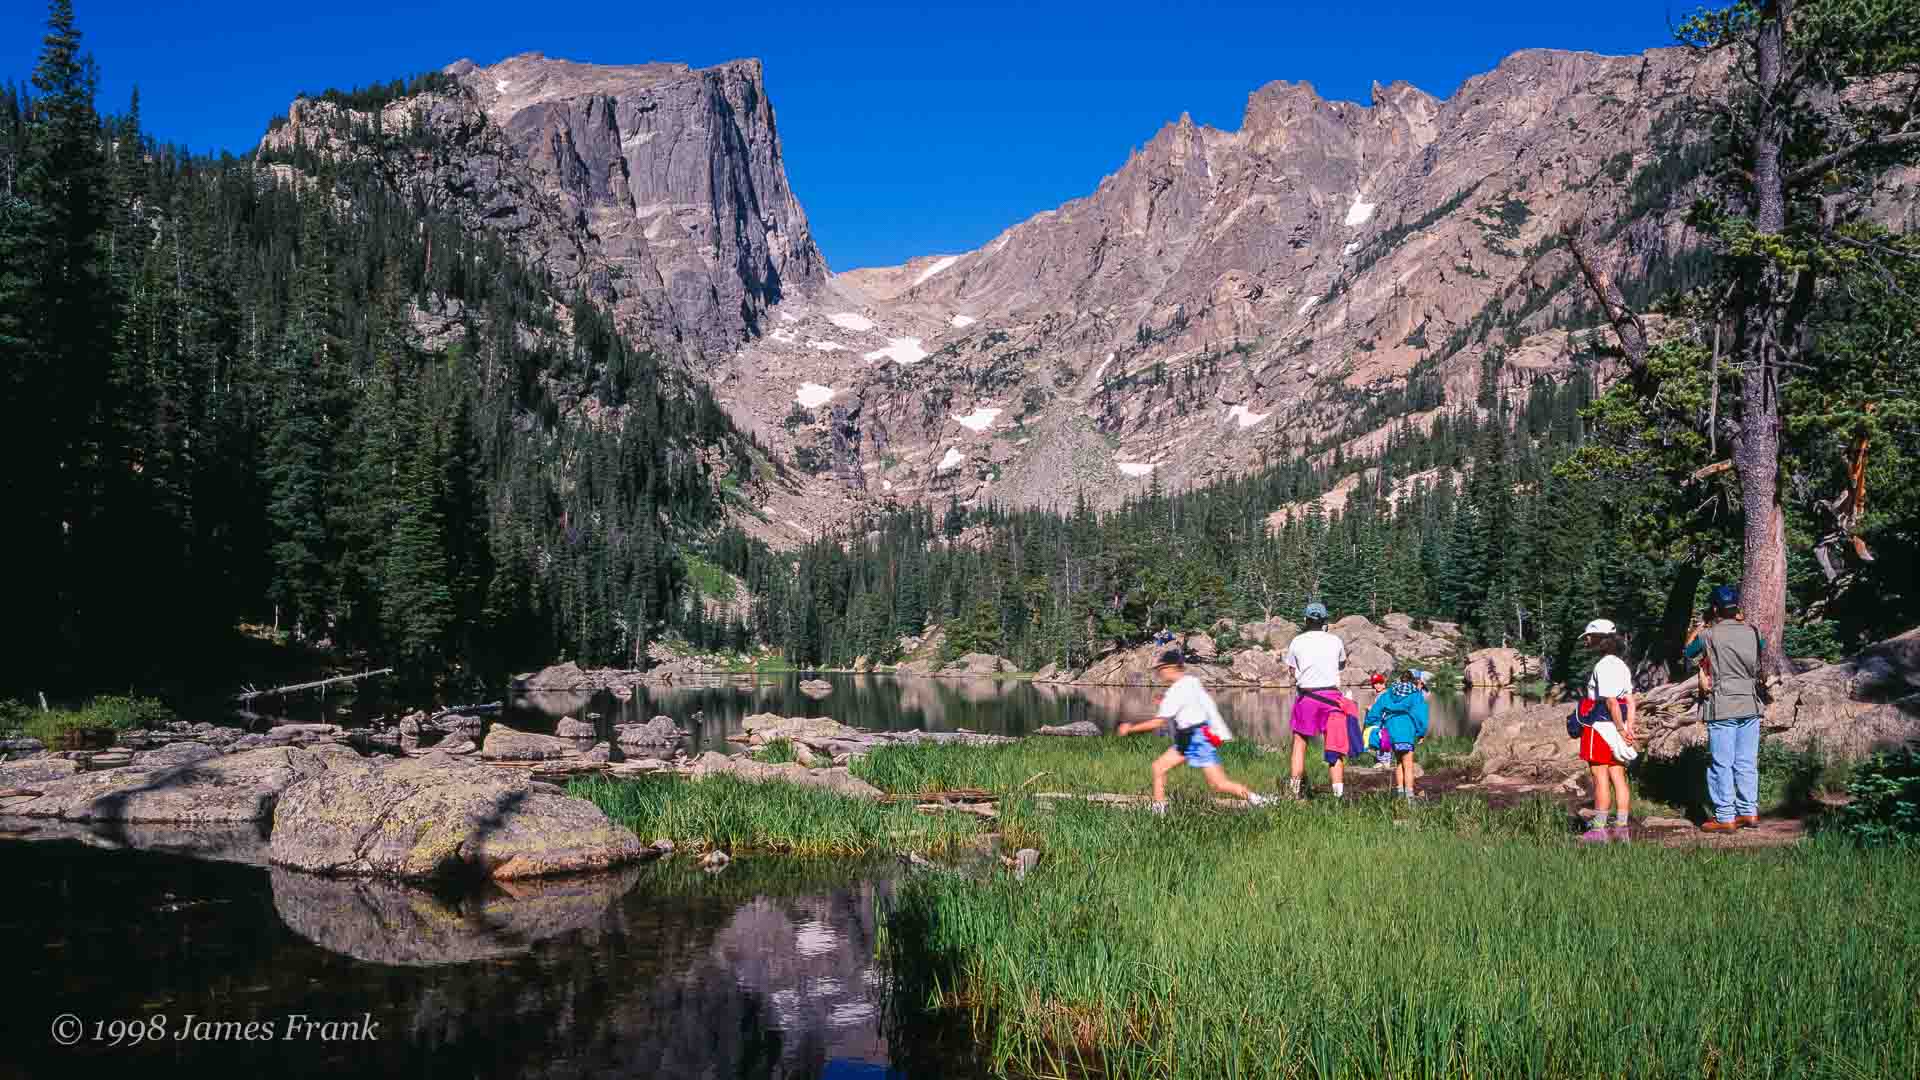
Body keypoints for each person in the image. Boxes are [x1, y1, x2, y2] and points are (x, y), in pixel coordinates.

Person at [1117, 649, 1268, 814]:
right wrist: (1165, 702)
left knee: (1218, 784)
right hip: (1188, 737)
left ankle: (1259, 800)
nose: (1159, 673)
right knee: (1158, 767)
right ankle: (1159, 809)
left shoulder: (1176, 691)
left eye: (1161, 669)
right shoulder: (1191, 681)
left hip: (1198, 740)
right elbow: (1192, 707)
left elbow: (1158, 722)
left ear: (1171, 667)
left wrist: (1130, 728)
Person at [1685, 585, 1768, 832]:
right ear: (1737, 608)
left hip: (1722, 704)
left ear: (1714, 609)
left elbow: (1688, 652)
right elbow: (1760, 649)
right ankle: (1749, 812)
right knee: (1746, 761)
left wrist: (1701, 628)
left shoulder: (1708, 635)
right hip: (1750, 703)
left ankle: (1725, 817)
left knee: (1722, 762)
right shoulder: (1753, 632)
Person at [1575, 618, 1638, 843]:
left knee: (1600, 778)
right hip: (1619, 726)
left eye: (1590, 637)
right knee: (1618, 777)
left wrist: (1620, 730)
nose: (1587, 640)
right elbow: (1630, 702)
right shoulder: (1621, 665)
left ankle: (1599, 830)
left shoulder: (1603, 666)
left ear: (1601, 639)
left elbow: (1610, 702)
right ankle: (1622, 828)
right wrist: (1629, 728)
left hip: (1600, 727)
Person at [1283, 602, 1350, 798]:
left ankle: (1294, 792)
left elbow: (1292, 669)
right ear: (1324, 621)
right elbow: (1342, 664)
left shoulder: (1297, 641)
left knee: (1299, 743)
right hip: (1332, 698)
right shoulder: (1335, 640)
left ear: (1305, 620)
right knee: (1335, 746)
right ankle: (1338, 796)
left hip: (1308, 697)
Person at [1365, 670, 1431, 800]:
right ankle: (1410, 797)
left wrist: (1371, 723)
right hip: (1407, 730)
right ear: (1413, 681)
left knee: (1399, 762)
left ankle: (1400, 794)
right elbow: (1421, 714)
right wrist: (1421, 732)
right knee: (1408, 764)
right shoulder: (1416, 695)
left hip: (1392, 730)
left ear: (1400, 680)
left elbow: (1375, 711)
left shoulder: (1389, 693)